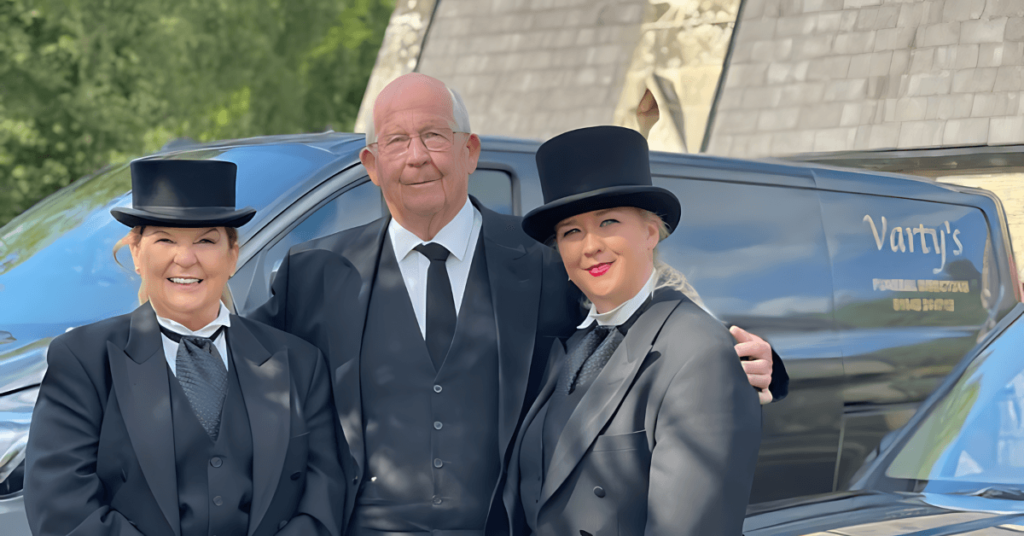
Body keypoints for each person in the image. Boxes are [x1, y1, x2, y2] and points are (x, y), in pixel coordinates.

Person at [249, 72, 782, 535]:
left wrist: (755, 362)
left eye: (434, 135)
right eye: (397, 141)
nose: (417, 157)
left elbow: (646, 309)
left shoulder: (550, 259)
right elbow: (234, 361)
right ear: (370, 162)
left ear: (470, 151)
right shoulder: (315, 272)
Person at [24, 160, 346, 536]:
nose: (186, 258)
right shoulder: (83, 361)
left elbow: (324, 495)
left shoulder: (298, 364)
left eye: (205, 241)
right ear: (136, 253)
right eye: (165, 239)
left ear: (232, 254)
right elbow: (62, 505)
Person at [497, 126, 761, 536]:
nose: (590, 246)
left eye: (608, 222)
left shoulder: (698, 351)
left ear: (651, 232)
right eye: (571, 232)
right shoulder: (575, 344)